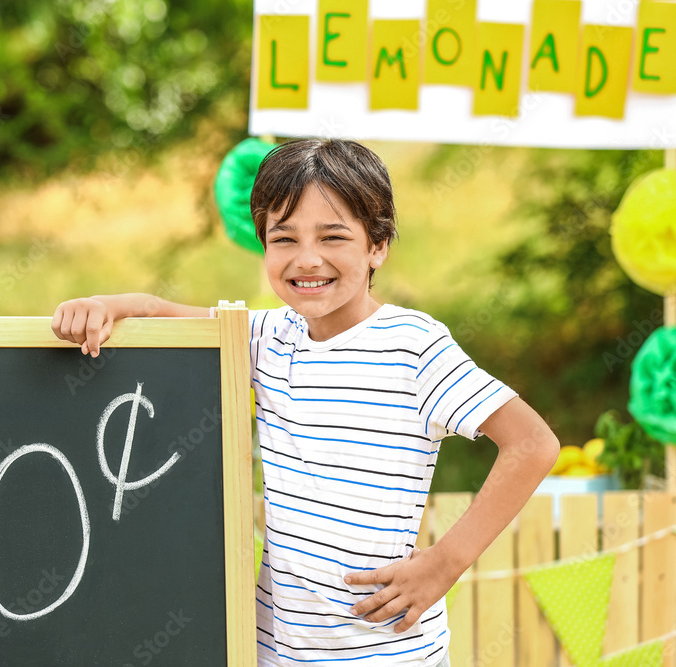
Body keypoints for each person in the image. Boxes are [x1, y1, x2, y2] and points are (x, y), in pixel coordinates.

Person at [51, 138, 560, 666]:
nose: (307, 259)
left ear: (377, 245)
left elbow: (532, 443)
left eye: (333, 236)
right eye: (284, 238)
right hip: (278, 652)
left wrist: (445, 562)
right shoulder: (269, 336)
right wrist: (103, 306)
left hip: (386, 652)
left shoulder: (412, 345)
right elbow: (162, 316)